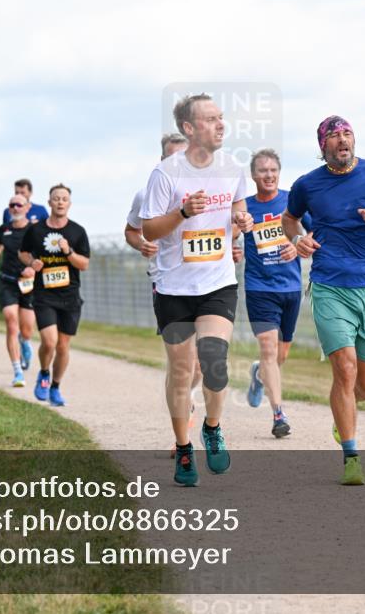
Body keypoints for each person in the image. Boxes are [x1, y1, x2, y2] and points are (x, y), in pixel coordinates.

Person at [283, 115, 365, 486]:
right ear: (322, 146)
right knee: (345, 368)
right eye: (334, 136)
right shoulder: (307, 185)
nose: (342, 140)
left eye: (347, 134)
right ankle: (352, 456)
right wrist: (297, 240)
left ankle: (344, 418)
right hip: (328, 285)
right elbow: (289, 220)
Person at [140, 93, 254, 487]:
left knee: (214, 359)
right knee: (182, 369)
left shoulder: (233, 167)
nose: (221, 124)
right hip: (174, 287)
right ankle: (184, 447)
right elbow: (149, 230)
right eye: (210, 119)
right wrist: (184, 212)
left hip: (217, 282)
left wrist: (242, 221)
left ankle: (212, 426)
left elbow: (238, 215)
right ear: (189, 129)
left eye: (222, 117)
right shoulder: (166, 174)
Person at [125, 132, 203, 457]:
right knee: (181, 364)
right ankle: (181, 436)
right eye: (172, 159)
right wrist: (140, 242)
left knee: (199, 367)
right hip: (167, 284)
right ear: (161, 162)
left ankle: (187, 400)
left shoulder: (204, 194)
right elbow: (131, 230)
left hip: (204, 284)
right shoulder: (146, 194)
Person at [239, 148, 312, 438]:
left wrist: (298, 246)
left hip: (290, 287)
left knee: (279, 357)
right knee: (269, 350)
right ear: (253, 175)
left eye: (273, 170)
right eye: (262, 171)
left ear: (278, 173)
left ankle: (258, 375)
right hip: (259, 288)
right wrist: (235, 236)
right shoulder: (243, 206)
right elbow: (227, 235)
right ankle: (278, 415)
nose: (268, 175)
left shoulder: (291, 202)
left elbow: (313, 234)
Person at [20, 184, 91, 406]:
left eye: (64, 199)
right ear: (49, 202)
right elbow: (22, 253)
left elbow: (84, 264)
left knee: (62, 346)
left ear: (69, 204)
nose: (60, 202)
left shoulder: (77, 231)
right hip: (44, 295)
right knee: (49, 342)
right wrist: (32, 262)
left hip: (70, 297)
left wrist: (68, 251)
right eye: (56, 198)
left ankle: (56, 386)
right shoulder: (36, 230)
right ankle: (43, 373)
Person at [0, 195, 37, 388]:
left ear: (27, 207)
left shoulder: (34, 229)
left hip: (28, 284)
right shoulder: (4, 229)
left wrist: (32, 267)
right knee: (10, 321)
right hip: (8, 281)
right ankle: (17, 371)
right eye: (11, 205)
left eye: (19, 205)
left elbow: (41, 253)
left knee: (26, 329)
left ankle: (25, 343)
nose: (15, 208)